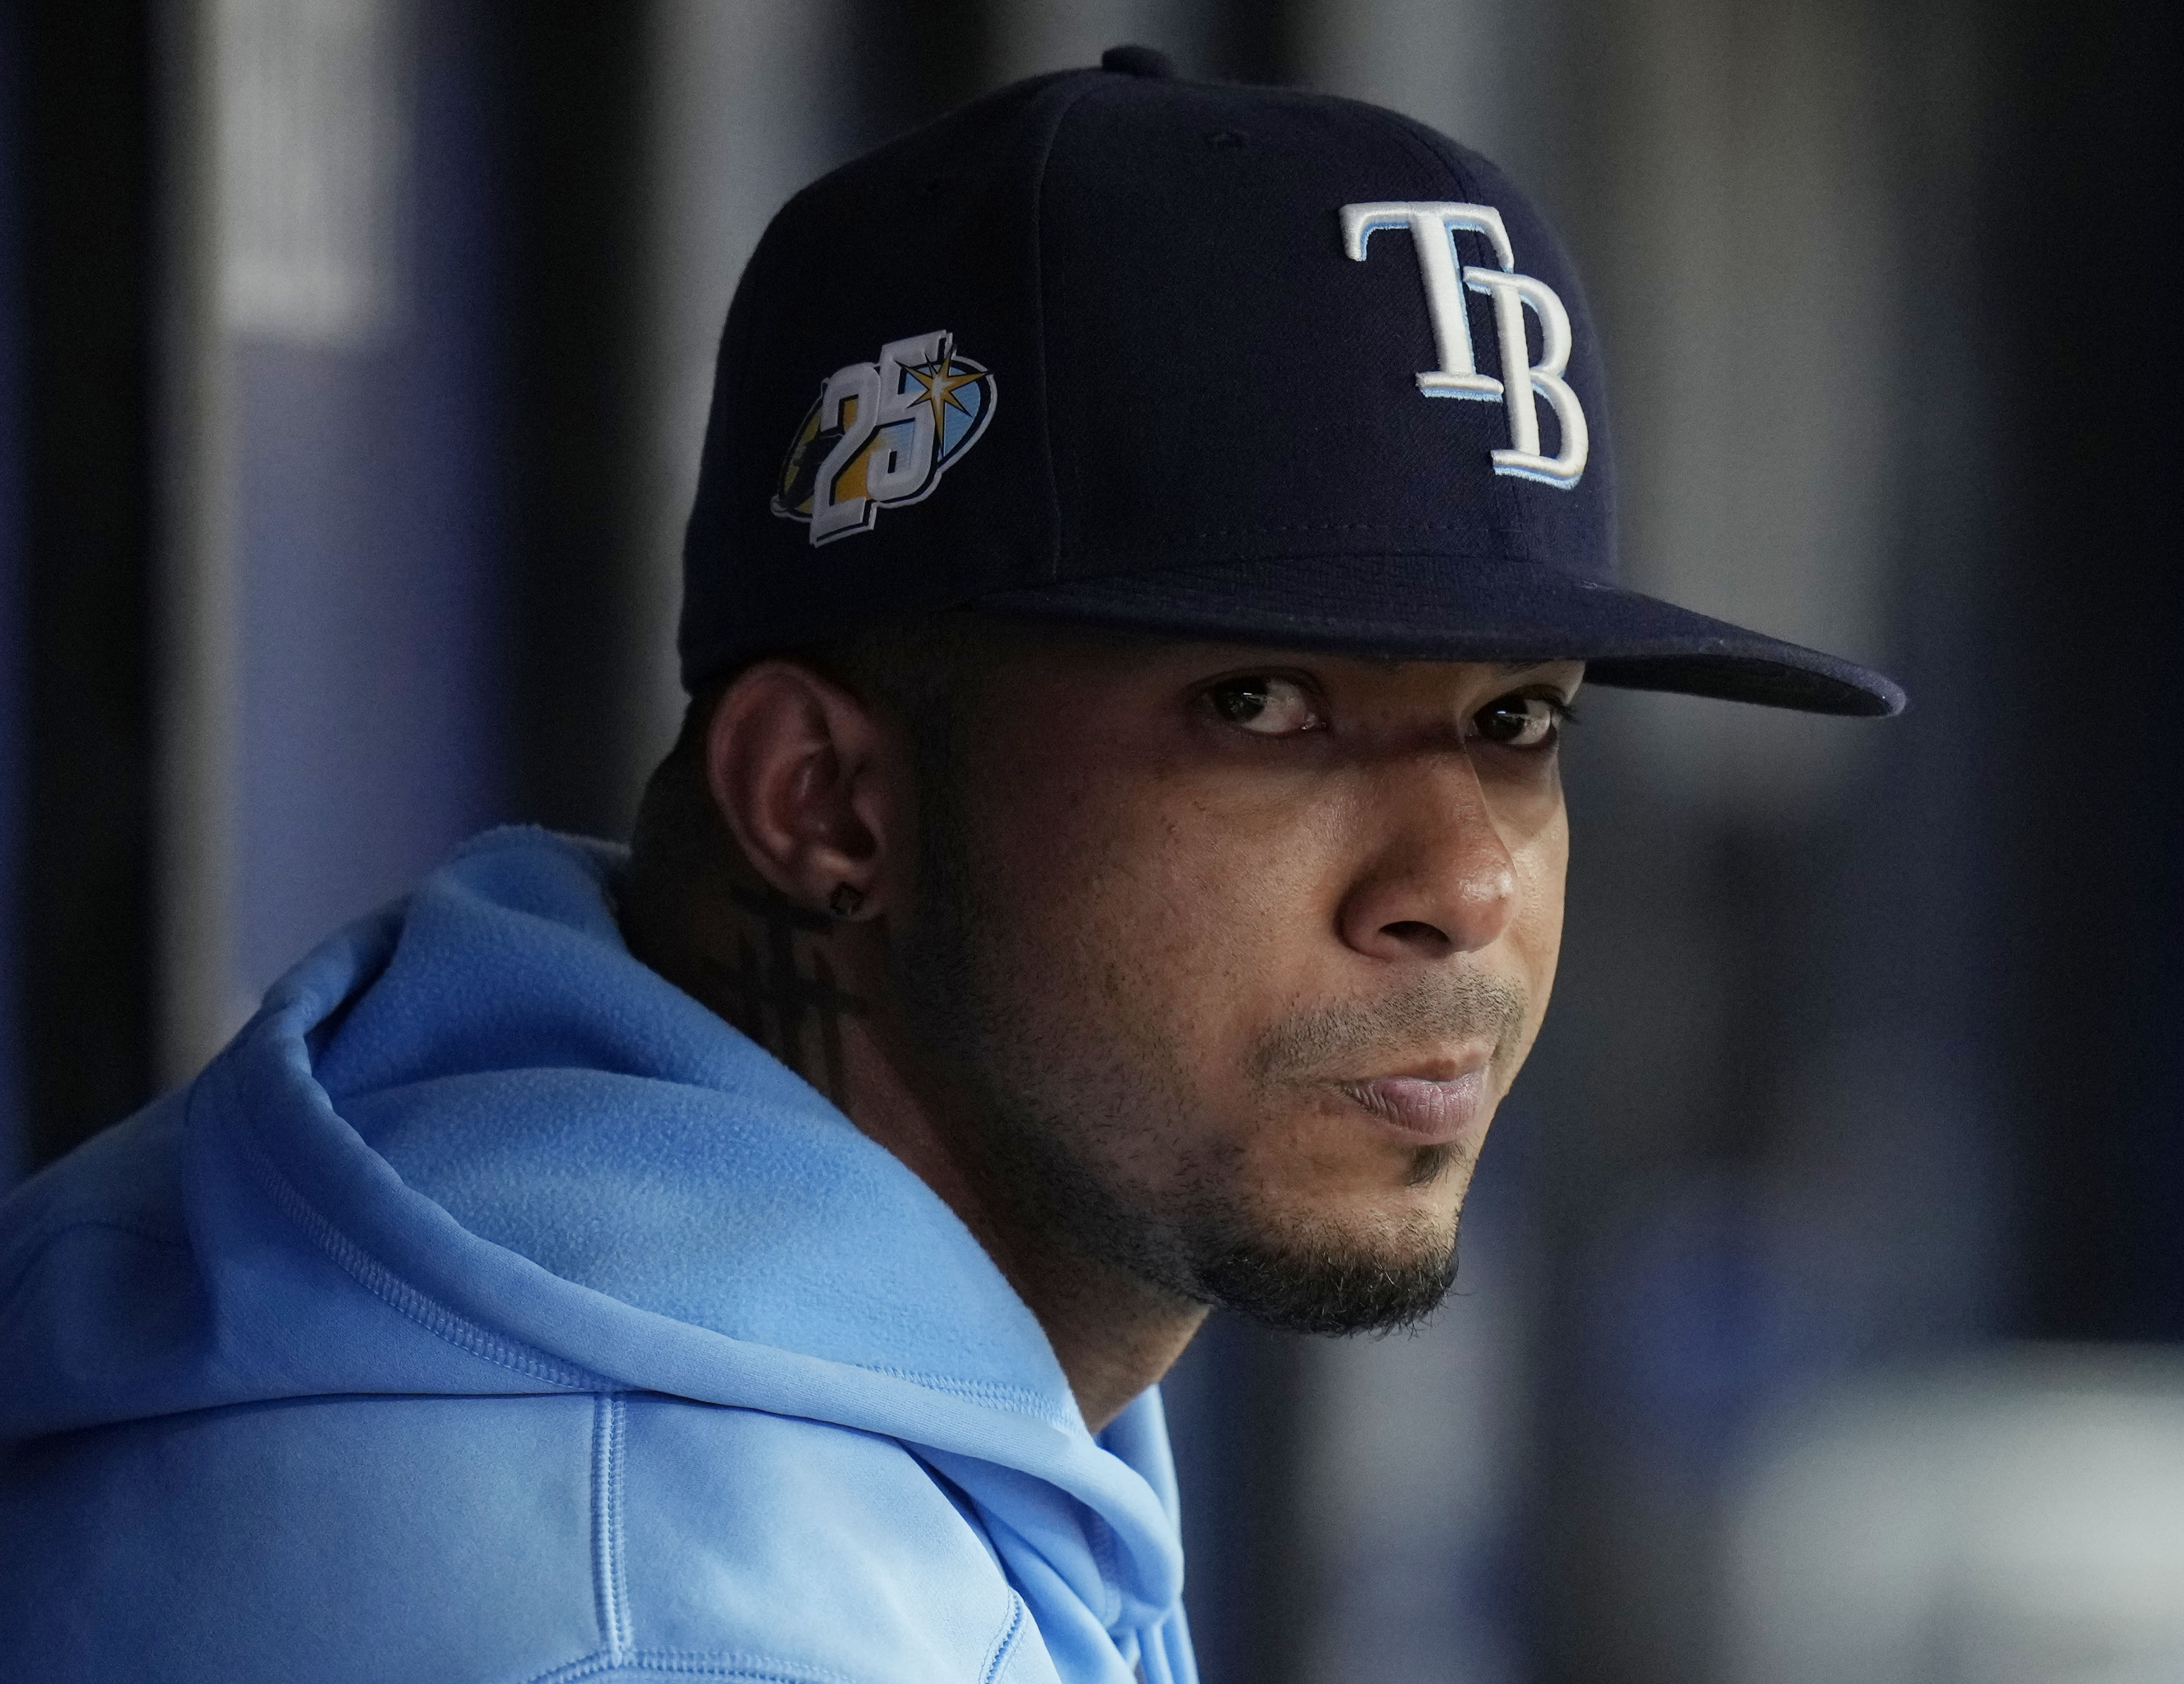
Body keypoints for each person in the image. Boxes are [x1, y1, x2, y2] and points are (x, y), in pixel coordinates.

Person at [0, 46, 1900, 1684]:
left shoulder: (493, 1278)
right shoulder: (688, 1621)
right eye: (1262, 704)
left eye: (1519, 723)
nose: (1461, 886)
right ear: (827, 802)